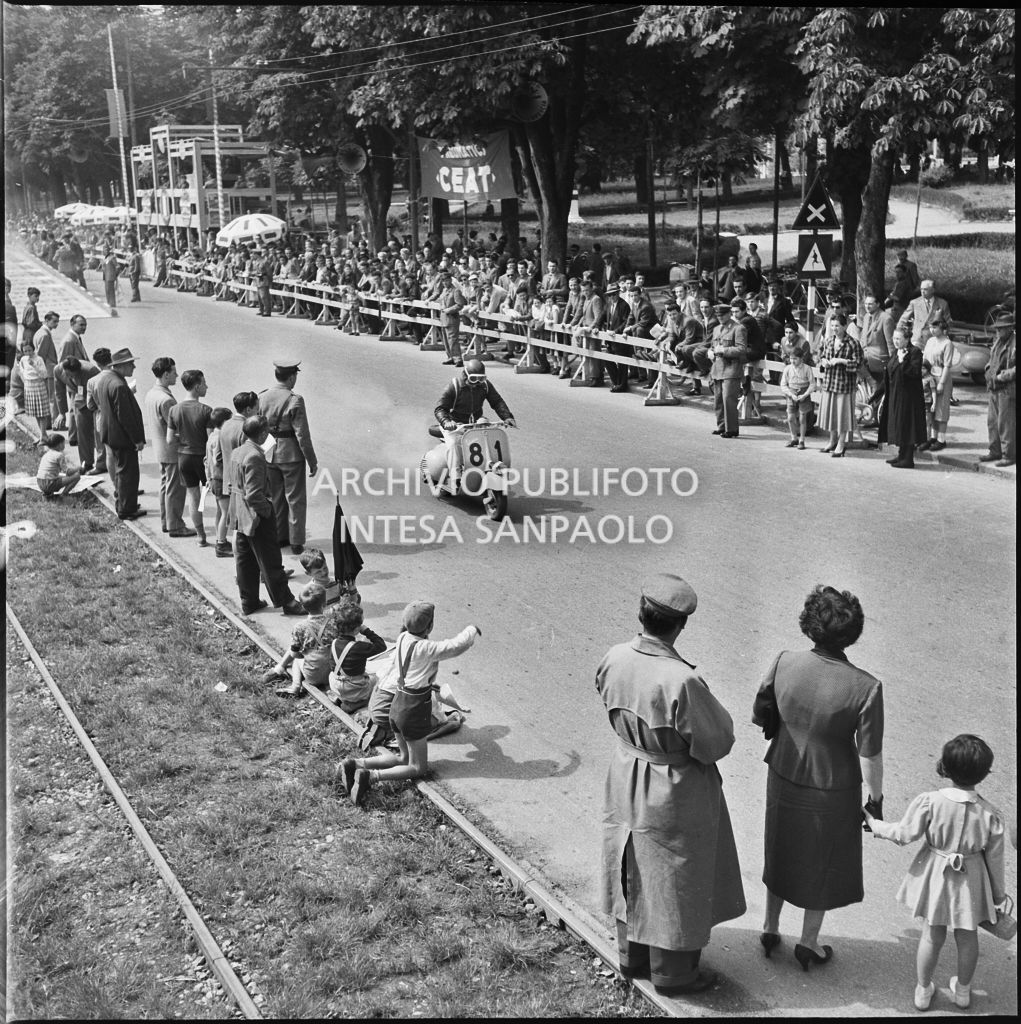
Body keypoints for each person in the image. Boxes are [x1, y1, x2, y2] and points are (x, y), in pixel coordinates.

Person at [598, 574, 745, 995]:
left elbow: (605, 695)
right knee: (675, 875)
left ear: (640, 613)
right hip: (672, 786)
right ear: (680, 625)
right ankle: (674, 974)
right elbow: (716, 742)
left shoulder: (614, 656)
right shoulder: (682, 680)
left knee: (629, 861)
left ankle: (632, 956)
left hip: (625, 770)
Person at [752, 585, 884, 971]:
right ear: (852, 633)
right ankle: (808, 943)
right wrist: (875, 800)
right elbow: (870, 754)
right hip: (834, 787)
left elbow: (760, 714)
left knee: (779, 846)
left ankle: (770, 927)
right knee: (823, 861)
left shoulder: (783, 661)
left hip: (783, 771)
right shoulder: (866, 687)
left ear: (809, 623)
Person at [866, 735, 1007, 1011]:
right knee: (968, 936)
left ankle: (923, 990)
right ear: (984, 774)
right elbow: (995, 858)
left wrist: (876, 825)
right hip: (971, 880)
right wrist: (998, 895)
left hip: (936, 875)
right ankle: (963, 992)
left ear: (946, 768)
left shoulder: (930, 801)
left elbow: (904, 834)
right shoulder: (990, 814)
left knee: (932, 934)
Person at [340, 601, 480, 807]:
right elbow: (454, 646)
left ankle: (356, 763)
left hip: (397, 704)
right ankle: (370, 776)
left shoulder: (403, 638)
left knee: (403, 757)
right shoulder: (425, 647)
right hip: (413, 710)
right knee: (417, 767)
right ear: (429, 626)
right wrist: (471, 631)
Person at [228, 415, 305, 617]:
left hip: (240, 513)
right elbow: (254, 495)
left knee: (245, 560)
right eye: (267, 431)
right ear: (262, 434)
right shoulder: (255, 456)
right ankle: (287, 602)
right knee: (271, 560)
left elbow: (233, 483)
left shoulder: (238, 451)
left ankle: (249, 601)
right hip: (256, 516)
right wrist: (267, 511)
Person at [258, 360, 318, 555]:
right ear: (292, 377)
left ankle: (280, 536)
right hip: (290, 454)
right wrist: (312, 461)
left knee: (276, 497)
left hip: (269, 452)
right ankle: (296, 541)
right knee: (295, 498)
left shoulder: (262, 396)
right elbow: (302, 435)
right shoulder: (295, 399)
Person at [90, 347, 147, 520]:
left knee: (122, 472)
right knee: (128, 474)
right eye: (131, 364)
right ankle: (127, 509)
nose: (133, 367)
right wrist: (137, 439)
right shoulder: (119, 385)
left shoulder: (106, 380)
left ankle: (124, 503)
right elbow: (126, 417)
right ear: (120, 366)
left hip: (111, 434)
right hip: (122, 437)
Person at [143, 357, 191, 537]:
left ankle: (167, 522)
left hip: (160, 449)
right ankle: (175, 526)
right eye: (174, 372)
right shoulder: (166, 400)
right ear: (165, 374)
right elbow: (176, 427)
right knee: (175, 490)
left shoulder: (152, 393)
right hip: (172, 450)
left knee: (166, 486)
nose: (177, 375)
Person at [166, 369, 213, 547]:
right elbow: (210, 440)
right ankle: (222, 536)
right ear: (197, 386)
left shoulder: (174, 410)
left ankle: (201, 536)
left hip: (184, 458)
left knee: (194, 496)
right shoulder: (206, 410)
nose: (206, 386)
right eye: (204, 383)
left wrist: (185, 439)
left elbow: (170, 440)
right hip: (202, 458)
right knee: (218, 496)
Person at [873, 328, 926, 469]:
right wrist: (877, 393)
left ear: (907, 339)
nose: (895, 341)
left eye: (898, 339)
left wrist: (903, 362)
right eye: (894, 338)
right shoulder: (896, 352)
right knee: (899, 425)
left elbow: (914, 373)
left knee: (907, 426)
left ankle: (908, 459)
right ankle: (901, 455)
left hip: (909, 397)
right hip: (895, 395)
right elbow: (889, 374)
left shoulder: (915, 352)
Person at [326, 597, 388, 711]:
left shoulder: (334, 642)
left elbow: (332, 665)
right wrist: (366, 631)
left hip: (336, 685)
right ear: (356, 630)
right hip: (353, 689)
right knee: (378, 679)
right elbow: (381, 645)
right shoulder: (358, 647)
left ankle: (341, 697)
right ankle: (355, 704)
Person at [815, 313, 859, 457]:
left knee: (843, 415)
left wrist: (841, 361)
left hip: (844, 384)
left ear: (844, 326)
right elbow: (821, 356)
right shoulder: (828, 341)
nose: (834, 328)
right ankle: (832, 440)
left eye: (837, 326)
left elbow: (858, 363)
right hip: (829, 382)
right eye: (832, 325)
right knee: (831, 413)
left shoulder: (852, 343)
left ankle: (841, 443)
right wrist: (824, 362)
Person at [978, 311, 1016, 468]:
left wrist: (1003, 376)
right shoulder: (998, 342)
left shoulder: (1014, 343)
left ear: (1010, 328)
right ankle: (995, 451)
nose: (998, 331)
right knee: (992, 422)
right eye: (997, 328)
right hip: (994, 388)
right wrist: (988, 371)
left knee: (1005, 424)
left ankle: (1009, 455)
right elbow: (991, 360)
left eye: (1001, 328)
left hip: (1007, 389)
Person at [55, 355, 102, 474]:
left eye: (75, 375)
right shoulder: (58, 370)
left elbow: (100, 389)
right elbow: (59, 391)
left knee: (99, 431)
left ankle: (102, 463)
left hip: (95, 399)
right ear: (65, 370)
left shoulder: (91, 371)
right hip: (79, 399)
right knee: (82, 431)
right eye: (69, 375)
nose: (72, 377)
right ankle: (87, 463)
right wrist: (61, 413)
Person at [707, 303, 747, 438]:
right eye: (718, 315)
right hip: (717, 368)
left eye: (723, 315)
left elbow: (741, 349)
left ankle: (732, 429)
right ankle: (722, 426)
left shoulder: (738, 328)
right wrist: (710, 351)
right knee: (718, 400)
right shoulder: (716, 329)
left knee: (728, 399)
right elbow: (713, 345)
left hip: (731, 368)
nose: (720, 318)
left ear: (729, 314)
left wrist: (724, 350)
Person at [919, 319, 956, 451]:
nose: (932, 330)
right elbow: (924, 359)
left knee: (941, 409)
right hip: (929, 376)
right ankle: (933, 437)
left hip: (941, 376)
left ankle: (941, 439)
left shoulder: (947, 343)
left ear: (942, 329)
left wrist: (941, 383)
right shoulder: (930, 341)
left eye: (935, 327)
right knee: (931, 408)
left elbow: (947, 365)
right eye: (931, 327)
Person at [205, 407, 233, 556]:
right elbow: (218, 459)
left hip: (214, 479)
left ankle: (219, 538)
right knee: (225, 513)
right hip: (221, 479)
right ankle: (221, 544)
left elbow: (207, 459)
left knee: (220, 511)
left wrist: (208, 477)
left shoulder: (212, 436)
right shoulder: (221, 437)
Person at [16, 338, 52, 442]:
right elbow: (21, 372)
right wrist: (25, 382)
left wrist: (34, 365)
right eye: (25, 351)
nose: (28, 353)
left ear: (33, 349)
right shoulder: (23, 359)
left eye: (29, 350)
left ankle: (43, 435)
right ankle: (43, 434)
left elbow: (44, 374)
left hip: (38, 385)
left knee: (42, 412)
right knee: (35, 412)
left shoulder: (38, 359)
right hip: (29, 386)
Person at [898, 280, 953, 348]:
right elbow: (904, 318)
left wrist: (944, 335)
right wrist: (898, 333)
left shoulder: (942, 303)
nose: (922, 291)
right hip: (917, 339)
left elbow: (948, 322)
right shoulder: (915, 302)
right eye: (921, 289)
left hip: (934, 340)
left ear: (933, 290)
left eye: (925, 289)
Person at [780, 344, 815, 449]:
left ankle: (802, 440)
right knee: (790, 417)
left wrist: (805, 395)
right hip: (792, 393)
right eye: (791, 358)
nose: (792, 361)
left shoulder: (807, 368)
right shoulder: (788, 369)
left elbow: (812, 384)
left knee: (802, 417)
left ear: (801, 358)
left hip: (804, 392)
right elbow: (783, 384)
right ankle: (793, 438)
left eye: (795, 359)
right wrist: (791, 394)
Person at [101, 247, 120, 315]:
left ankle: (112, 303)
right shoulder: (105, 259)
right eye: (103, 250)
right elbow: (104, 268)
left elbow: (117, 266)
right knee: (107, 290)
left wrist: (115, 275)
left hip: (111, 276)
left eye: (105, 250)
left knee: (111, 290)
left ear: (108, 251)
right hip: (106, 277)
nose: (104, 252)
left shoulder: (112, 258)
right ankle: (108, 302)